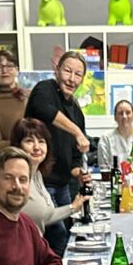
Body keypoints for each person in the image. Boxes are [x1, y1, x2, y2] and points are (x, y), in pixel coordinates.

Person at [24, 50, 89, 241]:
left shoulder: (76, 111)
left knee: (68, 233)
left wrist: (79, 173)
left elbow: (75, 158)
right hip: (39, 182)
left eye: (78, 74)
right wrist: (77, 132)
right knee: (58, 235)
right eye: (67, 71)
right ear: (57, 70)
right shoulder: (45, 89)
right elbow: (43, 109)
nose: (71, 79)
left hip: (63, 185)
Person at [13, 117, 89, 255]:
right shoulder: (15, 180)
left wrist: (74, 206)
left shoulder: (37, 174)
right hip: (21, 255)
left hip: (36, 251)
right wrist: (72, 208)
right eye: (29, 141)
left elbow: (44, 214)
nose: (37, 147)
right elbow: (41, 216)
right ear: (18, 146)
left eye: (41, 141)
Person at [0, 49, 27, 179]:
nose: (4, 70)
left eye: (9, 66)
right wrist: (21, 143)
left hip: (33, 164)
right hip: (7, 166)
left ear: (17, 70)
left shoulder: (29, 98)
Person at [100, 99, 133, 170]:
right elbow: (104, 168)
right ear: (115, 117)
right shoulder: (106, 139)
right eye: (120, 113)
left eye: (128, 113)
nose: (124, 116)